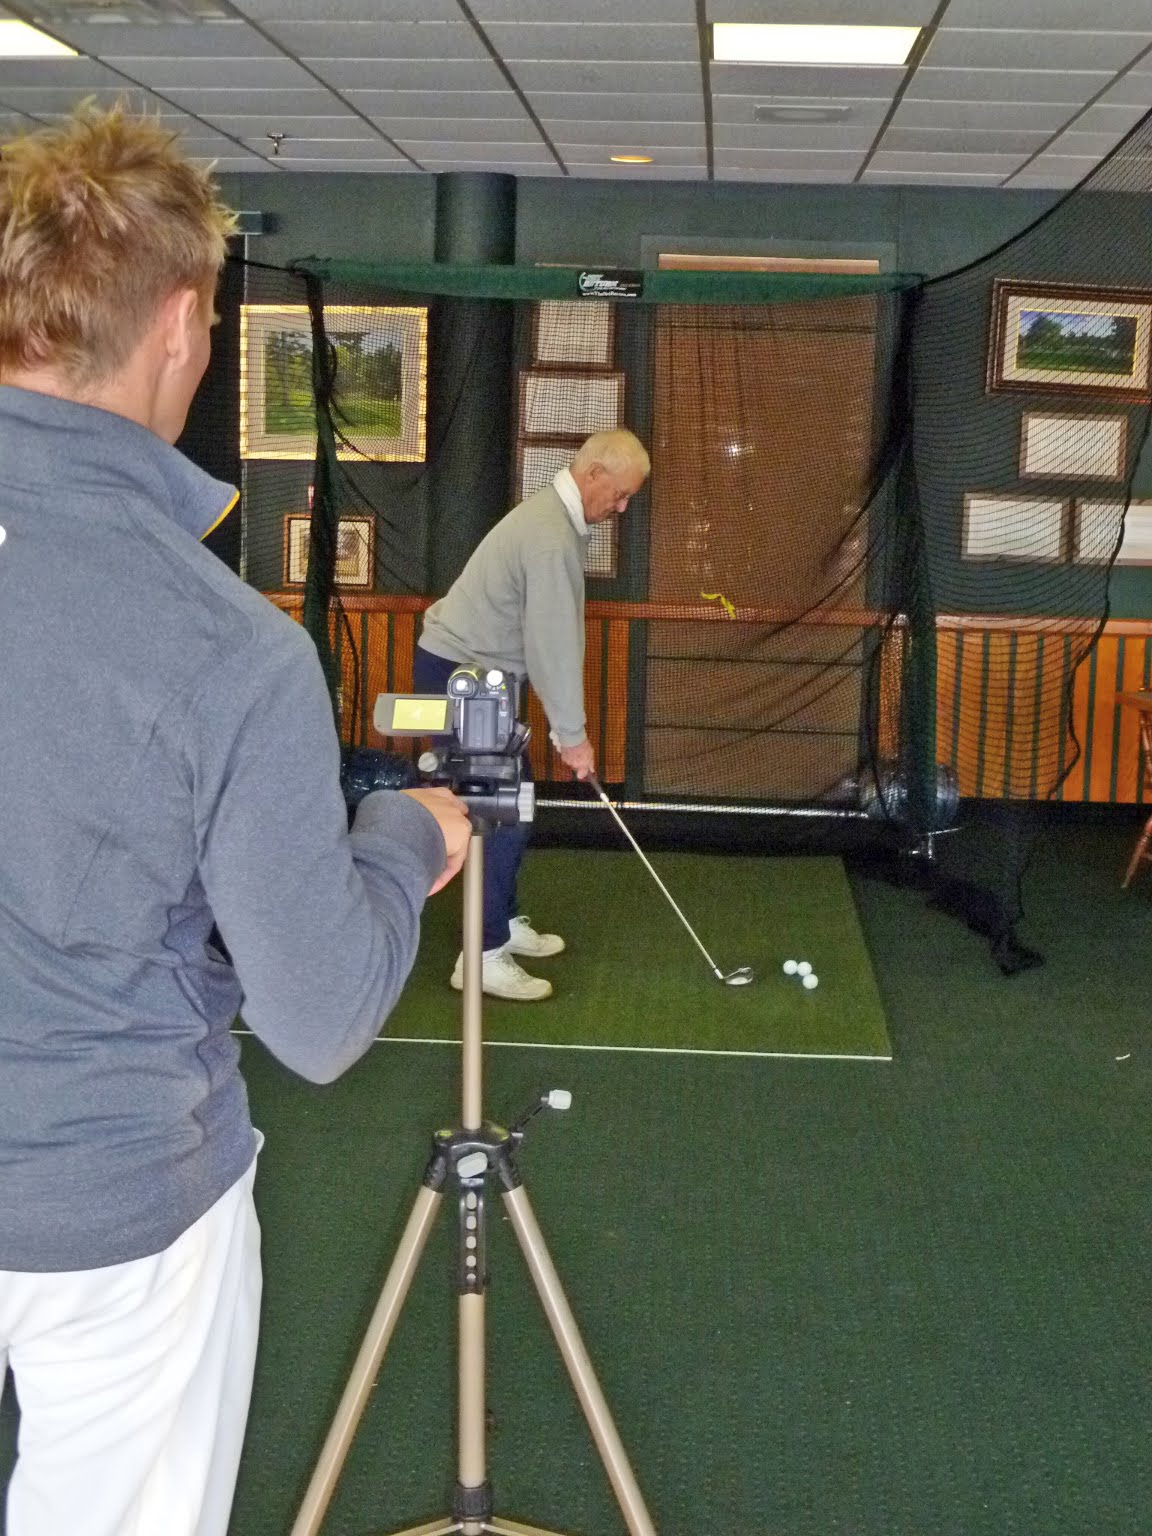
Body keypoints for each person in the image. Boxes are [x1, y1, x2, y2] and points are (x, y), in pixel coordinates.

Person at [0, 104, 471, 1536]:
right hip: (117, 1213)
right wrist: (411, 845)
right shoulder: (230, 649)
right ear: (186, 329)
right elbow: (318, 1016)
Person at [415, 428, 651, 1001]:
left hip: (482, 677)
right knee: (495, 815)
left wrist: (566, 726)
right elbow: (553, 643)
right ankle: (483, 954)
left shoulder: (558, 525)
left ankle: (504, 920)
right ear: (593, 473)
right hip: (464, 679)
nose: (620, 508)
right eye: (619, 495)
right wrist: (574, 736)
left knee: (514, 805)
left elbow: (543, 641)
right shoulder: (550, 537)